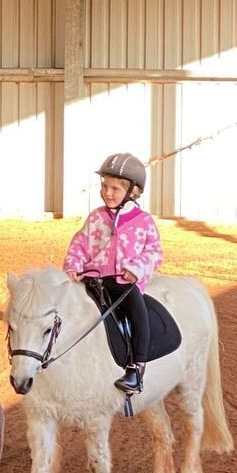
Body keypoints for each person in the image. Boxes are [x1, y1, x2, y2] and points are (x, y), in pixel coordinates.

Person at [63, 152, 163, 394]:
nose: (108, 193)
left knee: (139, 315)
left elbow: (155, 252)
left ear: (133, 192)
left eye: (115, 189)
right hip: (92, 280)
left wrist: (136, 269)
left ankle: (136, 370)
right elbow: (79, 244)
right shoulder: (96, 217)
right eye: (105, 186)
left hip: (123, 284)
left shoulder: (144, 221)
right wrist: (74, 265)